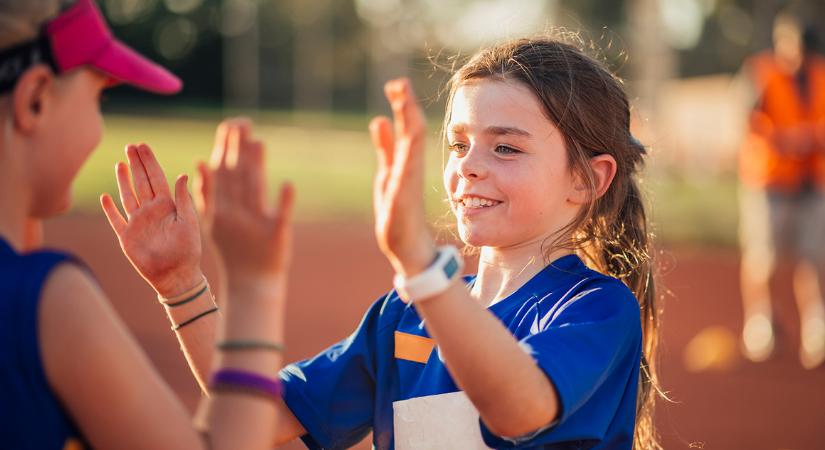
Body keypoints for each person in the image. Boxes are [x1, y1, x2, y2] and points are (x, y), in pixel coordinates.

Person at [112, 37, 661, 449]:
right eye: (459, 143)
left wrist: (422, 269)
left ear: (587, 180)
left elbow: (519, 408)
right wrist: (181, 284)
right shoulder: (405, 312)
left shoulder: (595, 309)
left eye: (506, 149)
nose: (468, 167)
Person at [0, 1, 295, 448]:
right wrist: (254, 285)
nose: (100, 123)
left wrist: (181, 282)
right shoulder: (47, 301)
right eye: (99, 97)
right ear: (35, 99)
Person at [737, 13, 825, 369]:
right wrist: (785, 140)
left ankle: (816, 329)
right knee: (765, 258)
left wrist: (812, 138)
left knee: (814, 258)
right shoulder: (760, 73)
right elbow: (746, 120)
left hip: (813, 182)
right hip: (770, 181)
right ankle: (761, 323)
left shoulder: (821, 75)